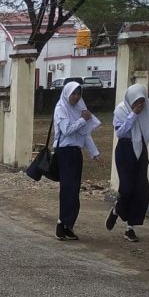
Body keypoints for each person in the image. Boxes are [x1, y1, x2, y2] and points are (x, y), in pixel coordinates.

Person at [109, 84, 149, 242]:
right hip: (125, 149)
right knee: (127, 189)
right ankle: (117, 210)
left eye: (142, 101)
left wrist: (147, 133)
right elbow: (120, 132)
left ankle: (130, 227)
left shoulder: (147, 108)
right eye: (136, 101)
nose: (140, 104)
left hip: (141, 149)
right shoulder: (121, 110)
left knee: (141, 190)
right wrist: (133, 114)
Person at [52, 81, 101, 241]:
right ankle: (61, 224)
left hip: (75, 153)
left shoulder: (79, 109)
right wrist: (82, 120)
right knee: (68, 190)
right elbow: (66, 130)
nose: (76, 97)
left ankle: (68, 226)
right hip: (64, 153)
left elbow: (85, 134)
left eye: (79, 94)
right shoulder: (61, 109)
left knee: (74, 191)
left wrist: (94, 153)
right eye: (73, 93)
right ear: (67, 93)